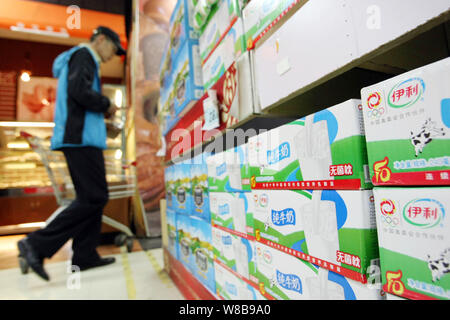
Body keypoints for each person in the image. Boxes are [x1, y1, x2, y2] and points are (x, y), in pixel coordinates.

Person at [17, 26, 126, 281]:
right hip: (81, 139)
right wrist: (106, 104)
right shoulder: (84, 55)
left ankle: (84, 256)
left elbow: (77, 93)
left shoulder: (81, 58)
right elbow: (79, 91)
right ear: (100, 40)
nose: (113, 55)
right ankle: (36, 244)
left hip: (83, 138)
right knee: (94, 196)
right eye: (112, 47)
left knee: (92, 197)